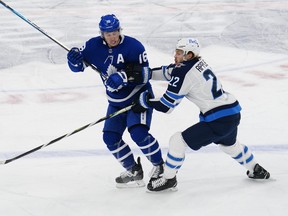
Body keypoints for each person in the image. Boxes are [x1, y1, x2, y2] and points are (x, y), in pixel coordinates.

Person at [132, 37, 270, 192]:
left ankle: (169, 179)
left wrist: (145, 102)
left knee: (177, 141)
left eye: (179, 52)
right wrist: (147, 74)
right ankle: (255, 169)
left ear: (189, 55)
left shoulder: (184, 72)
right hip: (231, 113)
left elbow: (166, 106)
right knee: (230, 146)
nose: (175, 55)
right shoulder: (197, 64)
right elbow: (170, 71)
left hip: (218, 119)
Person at [66, 14, 164, 188]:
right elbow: (78, 67)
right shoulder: (92, 46)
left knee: (138, 133)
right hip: (116, 101)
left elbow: (146, 74)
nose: (112, 37)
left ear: (119, 30)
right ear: (102, 33)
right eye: (108, 33)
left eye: (114, 32)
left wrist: (124, 76)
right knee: (110, 137)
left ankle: (160, 167)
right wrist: (73, 60)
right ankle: (133, 170)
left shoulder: (134, 47)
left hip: (138, 98)